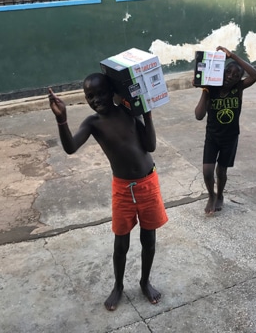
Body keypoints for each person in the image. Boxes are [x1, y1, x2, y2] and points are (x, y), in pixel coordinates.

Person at [48, 73, 168, 311]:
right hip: (123, 189)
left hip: (147, 184)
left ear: (113, 92)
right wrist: (62, 119)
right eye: (89, 96)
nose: (96, 99)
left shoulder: (128, 112)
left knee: (149, 239)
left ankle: (145, 282)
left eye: (101, 93)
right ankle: (118, 286)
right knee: (120, 243)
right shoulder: (93, 123)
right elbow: (71, 147)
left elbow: (150, 146)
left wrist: (147, 114)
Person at [194, 46, 256, 214]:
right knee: (208, 171)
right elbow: (199, 115)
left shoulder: (238, 89)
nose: (230, 77)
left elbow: (255, 75)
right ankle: (211, 195)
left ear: (239, 79)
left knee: (221, 170)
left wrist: (232, 56)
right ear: (222, 72)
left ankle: (220, 195)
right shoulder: (213, 89)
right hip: (212, 136)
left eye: (235, 76)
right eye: (228, 73)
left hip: (230, 137)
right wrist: (205, 90)